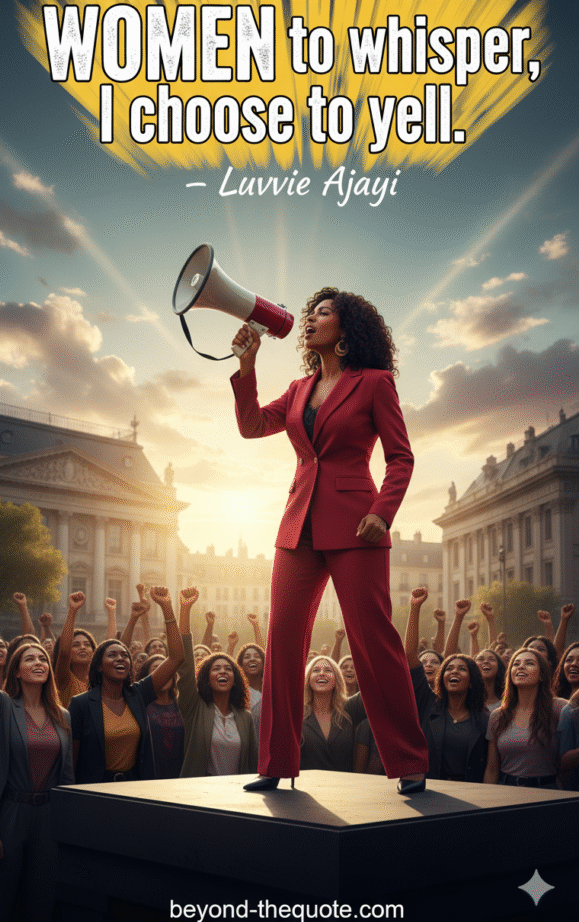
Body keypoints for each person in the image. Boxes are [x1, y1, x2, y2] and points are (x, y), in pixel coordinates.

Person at [231, 288, 428, 794]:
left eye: (323, 313)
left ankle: (408, 760)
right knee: (283, 641)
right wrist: (246, 366)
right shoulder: (298, 389)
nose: (311, 319)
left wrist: (382, 514)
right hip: (297, 526)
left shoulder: (376, 383)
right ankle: (275, 763)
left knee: (373, 641)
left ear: (347, 330)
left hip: (357, 524)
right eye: (310, 314)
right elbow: (252, 426)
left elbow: (400, 458)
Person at [0, 642, 73, 922]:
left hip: (49, 816)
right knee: (1, 899)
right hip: (10, 813)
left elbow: (67, 777)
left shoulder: (62, 715)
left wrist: (66, 825)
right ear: (16, 670)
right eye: (29, 659)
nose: (39, 662)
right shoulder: (3, 706)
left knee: (41, 902)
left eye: (43, 659)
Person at [69, 586, 183, 783]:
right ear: (99, 667)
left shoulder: (138, 694)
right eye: (112, 655)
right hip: (96, 791)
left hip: (133, 788)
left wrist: (167, 607)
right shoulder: (81, 704)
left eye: (124, 655)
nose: (120, 659)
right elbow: (71, 762)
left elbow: (176, 658)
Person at [405, 587, 489, 781]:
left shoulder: (484, 720)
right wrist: (414, 608)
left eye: (462, 669)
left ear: (471, 681)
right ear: (442, 677)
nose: (454, 672)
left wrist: (458, 618)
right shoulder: (429, 704)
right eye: (449, 669)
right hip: (432, 794)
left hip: (471, 796)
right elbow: (410, 655)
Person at [177, 587, 257, 777]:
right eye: (216, 668)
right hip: (199, 797)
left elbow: (252, 764)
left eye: (228, 669)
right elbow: (186, 667)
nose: (223, 671)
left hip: (236, 798)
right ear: (206, 677)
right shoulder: (194, 708)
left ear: (236, 679)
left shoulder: (245, 718)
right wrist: (185, 610)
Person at [483, 648, 566, 788]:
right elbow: (492, 769)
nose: (521, 666)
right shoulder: (498, 716)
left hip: (548, 791)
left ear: (542, 675)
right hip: (506, 790)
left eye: (529, 663)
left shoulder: (558, 708)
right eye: (516, 664)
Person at [300, 655, 365, 771]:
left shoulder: (349, 708)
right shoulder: (297, 712)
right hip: (306, 786)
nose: (321, 673)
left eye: (328, 670)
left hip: (343, 787)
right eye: (316, 670)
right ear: (308, 679)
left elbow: (374, 681)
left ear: (337, 679)